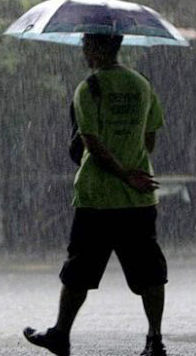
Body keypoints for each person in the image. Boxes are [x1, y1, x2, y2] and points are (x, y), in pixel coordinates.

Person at [23, 34, 168, 356]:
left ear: (99, 49)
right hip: (139, 199)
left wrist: (121, 173)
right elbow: (150, 138)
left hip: (97, 198)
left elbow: (92, 144)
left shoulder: (88, 88)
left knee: (79, 271)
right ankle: (154, 339)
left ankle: (61, 334)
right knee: (150, 271)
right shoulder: (142, 84)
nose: (84, 50)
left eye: (88, 45)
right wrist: (133, 168)